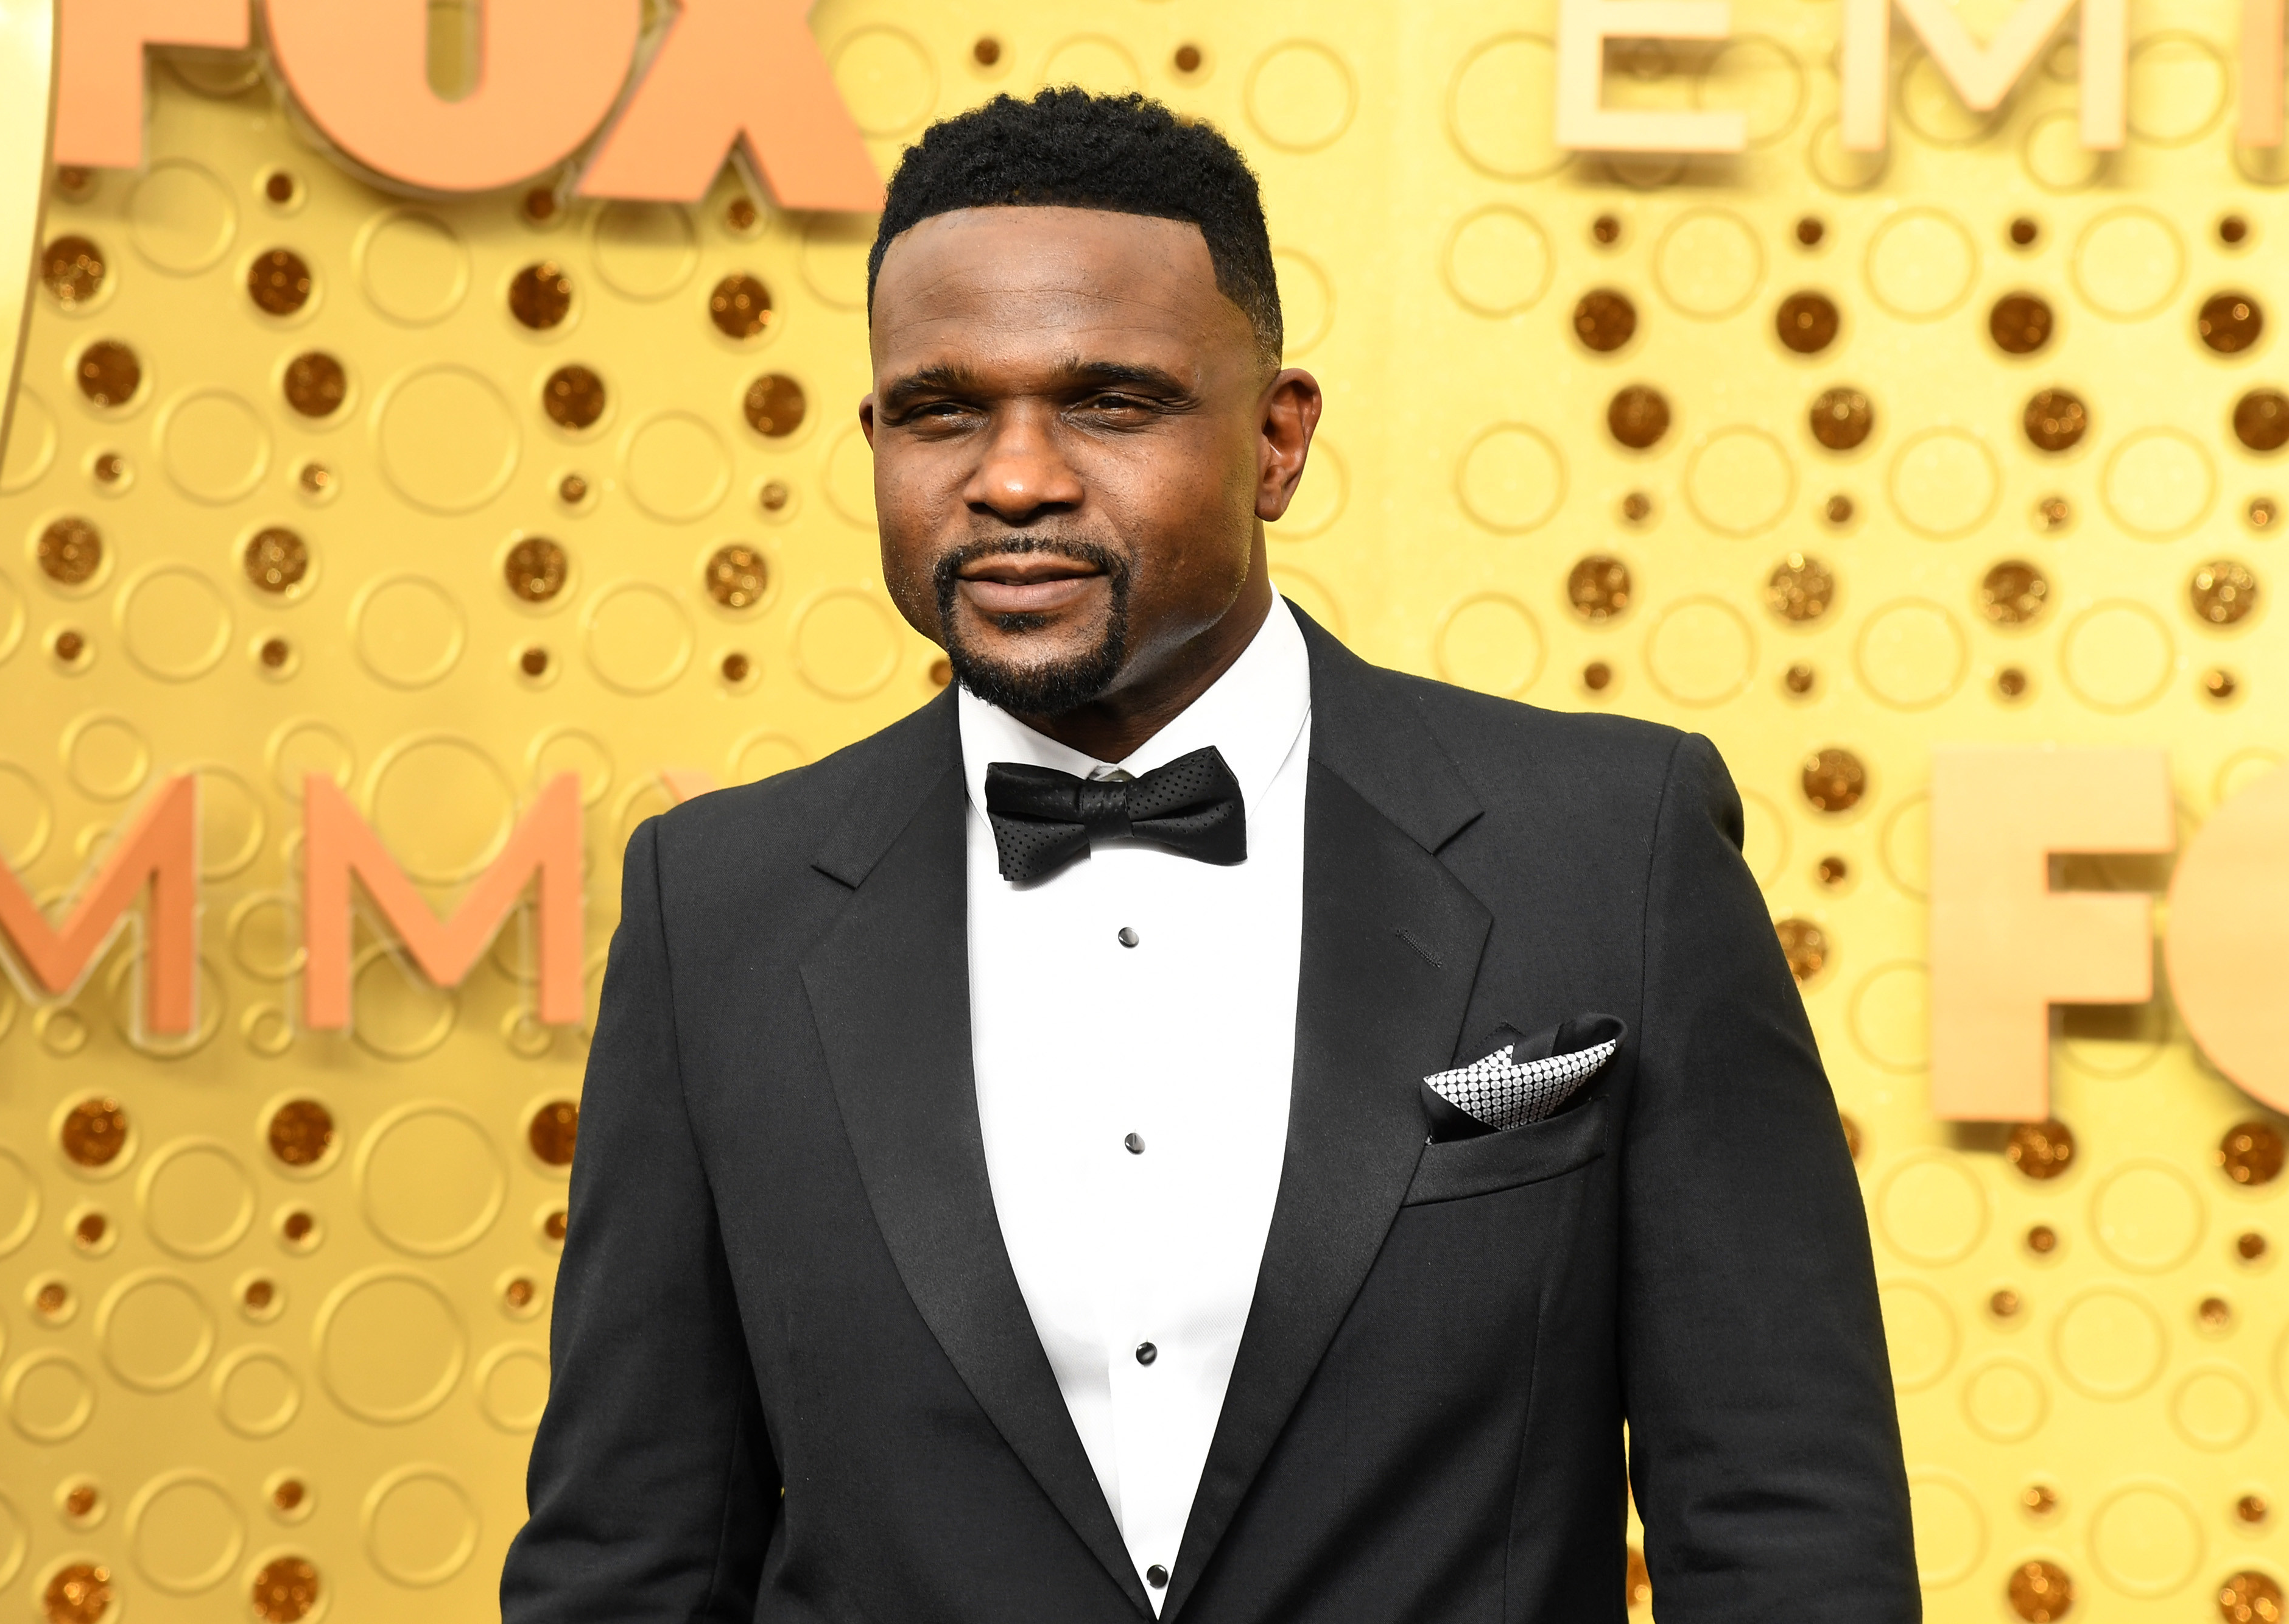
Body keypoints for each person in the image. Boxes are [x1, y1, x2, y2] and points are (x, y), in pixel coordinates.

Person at [501, 87, 1917, 1623]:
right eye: (940, 409)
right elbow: (631, 1555)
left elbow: (1785, 1523)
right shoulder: (715, 903)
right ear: (873, 440)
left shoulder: (1608, 847)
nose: (1016, 476)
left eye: (1108, 403)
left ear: (1276, 440)